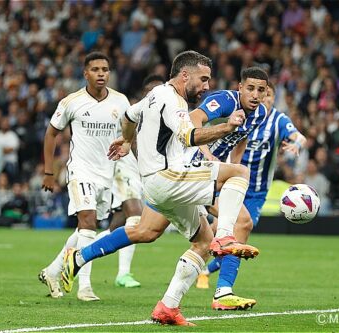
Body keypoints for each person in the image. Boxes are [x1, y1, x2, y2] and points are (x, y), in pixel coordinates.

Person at [61, 50, 259, 326]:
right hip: (169, 177)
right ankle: (225, 237)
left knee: (198, 241)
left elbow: (129, 117)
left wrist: (128, 142)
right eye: (203, 79)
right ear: (184, 75)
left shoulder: (154, 95)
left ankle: (168, 307)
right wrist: (226, 127)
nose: (207, 86)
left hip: (157, 184)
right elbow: (189, 135)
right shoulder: (172, 99)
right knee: (238, 173)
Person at [195, 82, 307, 309]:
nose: (261, 99)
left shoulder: (277, 120)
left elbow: (299, 136)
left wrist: (295, 144)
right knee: (224, 231)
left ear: (271, 97)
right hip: (227, 179)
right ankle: (214, 282)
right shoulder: (242, 112)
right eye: (255, 92)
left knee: (233, 229)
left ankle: (209, 275)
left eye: (265, 94)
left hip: (255, 192)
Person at [38, 52, 131, 302]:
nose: (101, 74)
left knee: (85, 229)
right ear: (85, 73)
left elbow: (131, 131)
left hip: (107, 174)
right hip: (80, 171)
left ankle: (52, 271)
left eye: (105, 69)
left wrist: (128, 145)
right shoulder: (72, 102)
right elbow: (50, 134)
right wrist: (49, 172)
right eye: (96, 69)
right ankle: (85, 287)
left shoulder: (121, 102)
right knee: (88, 222)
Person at [187, 67, 269, 310]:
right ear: (240, 88)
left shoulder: (260, 113)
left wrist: (234, 166)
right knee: (145, 231)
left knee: (241, 223)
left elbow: (242, 136)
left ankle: (223, 291)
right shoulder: (224, 101)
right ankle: (80, 256)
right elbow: (192, 120)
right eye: (250, 88)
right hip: (184, 168)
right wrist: (207, 153)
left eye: (261, 90)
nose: (255, 95)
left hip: (212, 175)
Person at [96, 74, 166, 288]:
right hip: (123, 167)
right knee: (135, 216)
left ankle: (72, 254)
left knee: (116, 226)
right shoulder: (135, 111)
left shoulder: (165, 114)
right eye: (154, 92)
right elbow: (126, 140)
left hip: (140, 171)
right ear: (147, 94)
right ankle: (123, 274)